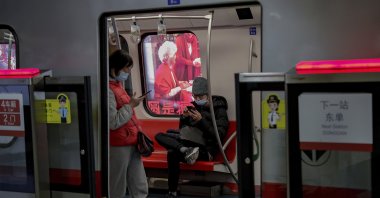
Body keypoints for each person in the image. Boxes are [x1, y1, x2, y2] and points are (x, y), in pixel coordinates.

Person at [155, 77, 229, 197]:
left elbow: (219, 136)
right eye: (195, 97)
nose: (198, 99)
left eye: (201, 97)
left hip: (206, 149)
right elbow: (183, 131)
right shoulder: (194, 107)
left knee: (172, 152)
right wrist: (183, 118)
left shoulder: (219, 109)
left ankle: (183, 149)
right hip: (190, 146)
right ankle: (172, 191)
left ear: (208, 95)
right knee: (161, 138)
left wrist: (201, 121)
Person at [108, 49, 148, 198]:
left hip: (132, 141)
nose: (128, 72)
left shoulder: (118, 86)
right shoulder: (109, 90)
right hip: (118, 144)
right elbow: (113, 122)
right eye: (126, 68)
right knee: (117, 186)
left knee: (139, 185)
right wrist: (130, 106)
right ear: (115, 67)